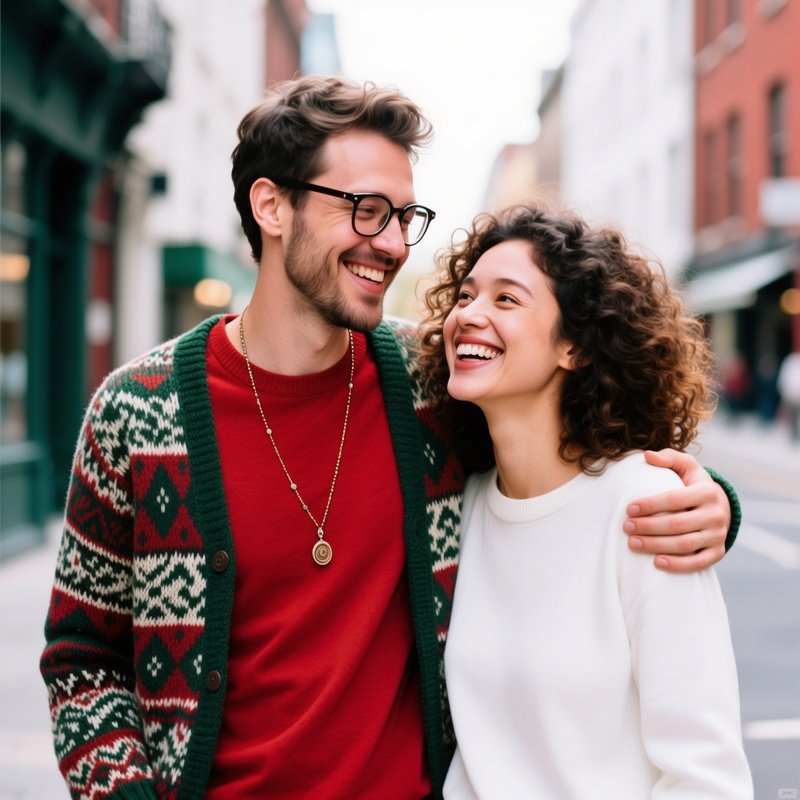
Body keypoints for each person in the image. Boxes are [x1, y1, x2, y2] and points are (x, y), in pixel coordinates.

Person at [40, 77, 740, 800]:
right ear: (272, 206)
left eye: (407, 216)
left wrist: (710, 502)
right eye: (368, 212)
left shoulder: (431, 387)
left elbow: (568, 456)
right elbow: (82, 658)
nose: (395, 243)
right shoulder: (135, 410)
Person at [418, 205, 752, 798]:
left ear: (575, 347)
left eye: (506, 300)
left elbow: (706, 776)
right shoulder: (459, 508)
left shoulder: (647, 509)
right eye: (465, 296)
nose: (468, 315)